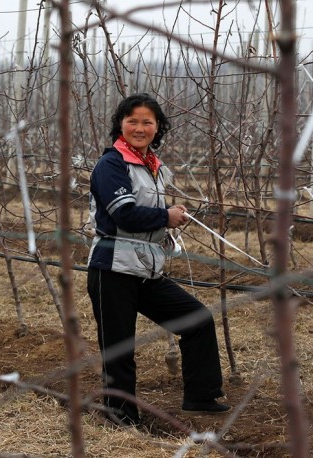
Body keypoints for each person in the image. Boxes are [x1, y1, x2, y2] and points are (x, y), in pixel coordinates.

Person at [86, 93, 230, 426]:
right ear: (120, 124)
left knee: (196, 319)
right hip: (112, 268)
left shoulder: (153, 166)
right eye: (132, 120)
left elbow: (145, 215)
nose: (139, 127)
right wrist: (165, 216)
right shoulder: (111, 165)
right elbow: (125, 215)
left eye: (147, 121)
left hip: (146, 267)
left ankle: (201, 396)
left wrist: (166, 222)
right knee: (119, 348)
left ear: (157, 127)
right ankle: (121, 419)